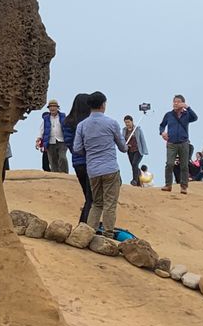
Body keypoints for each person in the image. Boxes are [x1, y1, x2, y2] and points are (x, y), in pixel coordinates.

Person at [73, 91, 127, 239]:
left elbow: (77, 148)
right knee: (110, 203)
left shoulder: (82, 125)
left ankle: (88, 233)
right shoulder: (112, 123)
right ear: (103, 105)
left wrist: (90, 151)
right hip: (110, 168)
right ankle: (108, 234)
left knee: (96, 203)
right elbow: (123, 147)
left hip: (93, 170)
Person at [63, 93, 93, 223]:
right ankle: (84, 224)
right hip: (90, 162)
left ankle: (85, 223)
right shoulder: (88, 122)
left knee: (88, 196)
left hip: (77, 163)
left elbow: (69, 142)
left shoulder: (67, 122)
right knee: (91, 198)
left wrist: (76, 153)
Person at [159, 94, 198, 194]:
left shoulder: (187, 115)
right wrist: (162, 132)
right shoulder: (168, 115)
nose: (175, 103)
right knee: (169, 164)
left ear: (182, 103)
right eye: (174, 101)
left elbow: (195, 118)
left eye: (178, 101)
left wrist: (188, 107)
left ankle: (184, 187)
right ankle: (168, 185)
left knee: (184, 165)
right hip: (171, 143)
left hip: (183, 143)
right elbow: (162, 125)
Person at [36, 99, 69, 173]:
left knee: (62, 158)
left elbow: (68, 127)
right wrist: (38, 139)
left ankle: (65, 174)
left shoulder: (63, 117)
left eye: (54, 106)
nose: (52, 108)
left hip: (62, 141)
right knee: (53, 161)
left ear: (57, 108)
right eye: (50, 106)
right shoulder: (46, 119)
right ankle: (56, 177)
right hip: (50, 142)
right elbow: (41, 130)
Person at [122, 115, 148, 186]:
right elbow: (122, 140)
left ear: (132, 121)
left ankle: (134, 180)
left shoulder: (137, 129)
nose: (127, 124)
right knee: (134, 166)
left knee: (134, 164)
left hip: (138, 150)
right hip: (130, 151)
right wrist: (124, 146)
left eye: (128, 122)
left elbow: (142, 140)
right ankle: (139, 182)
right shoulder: (124, 130)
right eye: (126, 122)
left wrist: (144, 150)